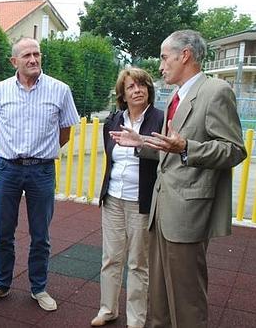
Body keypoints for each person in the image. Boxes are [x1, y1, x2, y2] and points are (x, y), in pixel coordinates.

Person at [110, 29, 247, 327]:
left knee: (186, 297)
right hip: (162, 210)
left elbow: (234, 150)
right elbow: (169, 153)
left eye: (164, 57)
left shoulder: (215, 92)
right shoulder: (177, 95)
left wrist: (187, 147)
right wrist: (141, 143)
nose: (160, 66)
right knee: (158, 294)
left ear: (185, 55)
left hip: (188, 213)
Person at [0, 37, 80, 312]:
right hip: (7, 169)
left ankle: (38, 287)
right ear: (14, 61)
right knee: (3, 232)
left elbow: (66, 131)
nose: (33, 59)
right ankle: (0, 283)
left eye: (37, 54)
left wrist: (42, 153)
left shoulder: (60, 90)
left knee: (40, 235)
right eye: (27, 56)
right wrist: (13, 152)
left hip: (42, 171)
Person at [91, 68, 164, 328]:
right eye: (131, 86)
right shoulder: (113, 121)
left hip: (140, 202)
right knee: (111, 258)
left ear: (149, 89)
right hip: (112, 199)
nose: (137, 90)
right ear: (122, 93)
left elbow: (166, 156)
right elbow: (110, 158)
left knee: (138, 263)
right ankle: (108, 309)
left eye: (142, 85)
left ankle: (136, 319)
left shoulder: (159, 119)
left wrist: (140, 143)